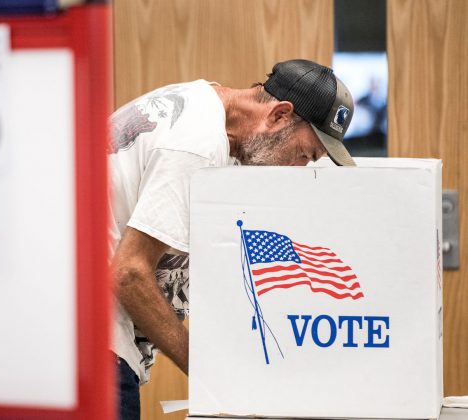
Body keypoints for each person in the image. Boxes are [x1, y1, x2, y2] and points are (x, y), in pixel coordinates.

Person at [109, 59, 356, 420]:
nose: (300, 169)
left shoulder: (201, 105)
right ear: (279, 116)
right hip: (87, 344)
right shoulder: (197, 146)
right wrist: (215, 378)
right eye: (305, 154)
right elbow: (128, 273)